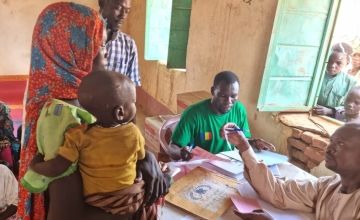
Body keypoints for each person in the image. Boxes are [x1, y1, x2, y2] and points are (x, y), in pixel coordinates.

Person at [17, 3, 167, 220]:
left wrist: (143, 157)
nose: (105, 57)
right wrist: (135, 205)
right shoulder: (62, 119)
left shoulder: (75, 101)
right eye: (100, 46)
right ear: (74, 49)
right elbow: (66, 215)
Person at [30, 70, 159, 219]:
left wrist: (35, 165)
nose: (135, 107)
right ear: (120, 113)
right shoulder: (133, 133)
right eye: (133, 103)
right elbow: (140, 157)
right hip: (127, 200)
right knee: (148, 198)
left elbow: (58, 166)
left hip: (96, 200)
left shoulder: (78, 135)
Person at [221, 122, 360, 220]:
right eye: (332, 141)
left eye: (341, 144)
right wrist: (243, 145)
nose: (329, 149)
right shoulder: (329, 186)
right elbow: (277, 191)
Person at [168, 71, 275, 160]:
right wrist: (182, 153)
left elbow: (243, 142)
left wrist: (255, 143)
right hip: (201, 167)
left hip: (229, 167)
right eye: (223, 96)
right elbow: (173, 147)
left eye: (233, 96)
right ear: (212, 91)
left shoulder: (239, 110)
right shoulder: (193, 114)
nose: (229, 101)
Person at [99, 0, 141, 86]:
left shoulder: (129, 45)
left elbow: (133, 86)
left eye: (127, 11)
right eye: (118, 8)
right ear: (102, 4)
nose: (123, 15)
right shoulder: (84, 36)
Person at [313, 51, 356, 117]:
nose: (332, 65)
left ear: (346, 63)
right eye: (329, 61)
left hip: (333, 119)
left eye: (339, 63)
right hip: (310, 112)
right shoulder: (314, 74)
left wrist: (331, 111)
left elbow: (353, 107)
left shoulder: (351, 82)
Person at [0, 102, 20, 171]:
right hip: (6, 144)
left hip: (5, 144)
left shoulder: (6, 120)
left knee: (8, 167)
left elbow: (8, 134)